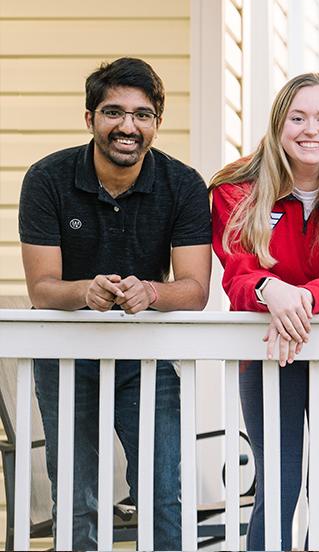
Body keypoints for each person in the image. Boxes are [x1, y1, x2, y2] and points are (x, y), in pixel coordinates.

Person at [18, 57, 212, 550]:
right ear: (90, 119)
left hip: (146, 354)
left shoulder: (183, 184)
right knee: (77, 495)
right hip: (65, 355)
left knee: (163, 492)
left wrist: (150, 292)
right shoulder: (47, 178)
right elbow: (42, 289)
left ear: (156, 124)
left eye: (142, 114)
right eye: (113, 112)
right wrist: (85, 292)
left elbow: (195, 289)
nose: (128, 126)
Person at [209, 72, 319, 550]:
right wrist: (271, 290)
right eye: (298, 117)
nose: (312, 130)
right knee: (278, 486)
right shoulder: (235, 186)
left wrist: (303, 297)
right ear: (278, 123)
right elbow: (237, 271)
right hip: (269, 350)